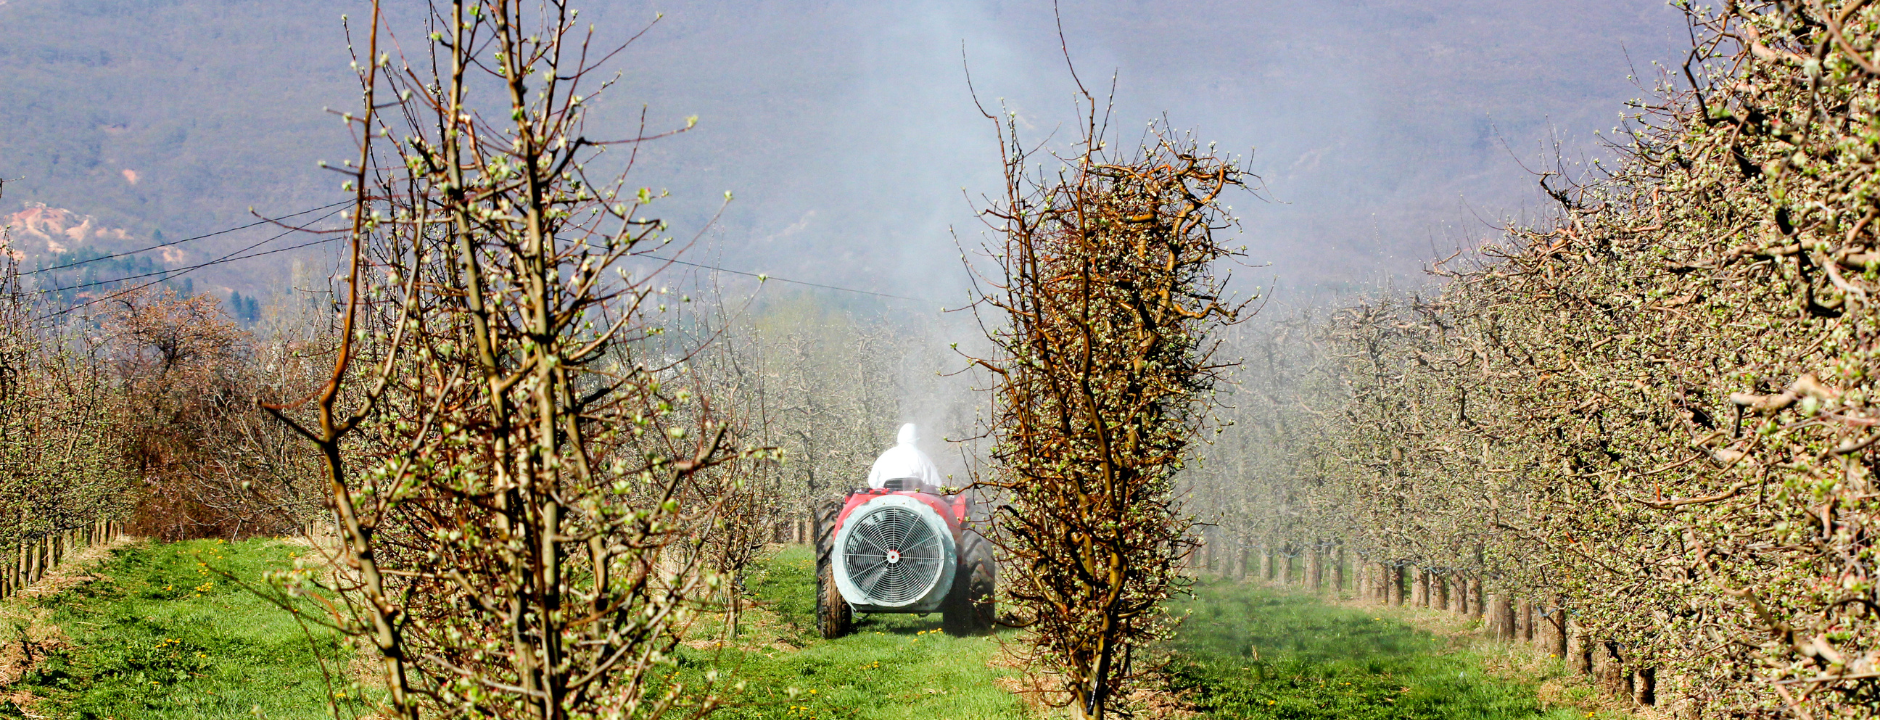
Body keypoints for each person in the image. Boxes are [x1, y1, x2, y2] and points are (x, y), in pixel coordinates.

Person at [866, 423, 943, 490]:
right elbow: (936, 484)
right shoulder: (922, 458)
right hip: (915, 503)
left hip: (887, 502)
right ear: (917, 439)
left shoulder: (884, 457)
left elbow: (873, 482)